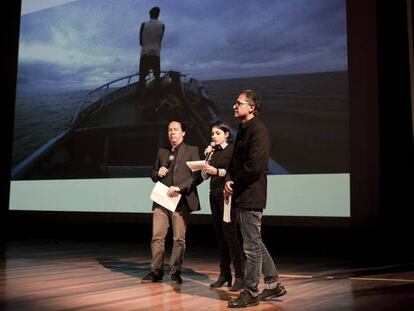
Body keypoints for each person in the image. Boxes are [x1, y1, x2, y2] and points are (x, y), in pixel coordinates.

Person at [224, 90, 287, 308]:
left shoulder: (258, 131)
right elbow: (235, 161)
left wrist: (234, 182)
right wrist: (229, 177)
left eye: (239, 103)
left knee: (251, 247)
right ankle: (272, 284)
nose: (234, 106)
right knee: (255, 242)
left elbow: (255, 167)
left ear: (251, 107)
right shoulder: (242, 130)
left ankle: (250, 292)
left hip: (251, 195)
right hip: (243, 193)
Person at [142, 120, 201, 284]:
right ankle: (155, 271)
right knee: (157, 237)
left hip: (180, 200)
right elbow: (153, 175)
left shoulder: (192, 150)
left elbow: (197, 177)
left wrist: (180, 188)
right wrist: (157, 173)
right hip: (161, 199)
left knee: (179, 239)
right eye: (169, 130)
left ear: (183, 133)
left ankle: (175, 272)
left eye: (175, 129)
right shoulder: (162, 152)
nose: (172, 132)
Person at [201, 121, 244, 291]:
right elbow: (204, 176)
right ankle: (225, 274)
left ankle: (240, 276)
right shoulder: (213, 151)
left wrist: (216, 171)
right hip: (214, 194)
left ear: (226, 134)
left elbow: (233, 171)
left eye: (218, 133)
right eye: (212, 133)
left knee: (230, 235)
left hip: (227, 195)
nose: (214, 136)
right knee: (219, 236)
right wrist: (206, 161)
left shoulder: (232, 149)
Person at [137, 6, 165, 94]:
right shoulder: (162, 25)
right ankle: (157, 97)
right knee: (157, 78)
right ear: (158, 14)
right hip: (156, 55)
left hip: (145, 54)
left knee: (142, 78)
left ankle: (139, 98)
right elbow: (160, 40)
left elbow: (141, 42)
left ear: (150, 14)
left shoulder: (143, 24)